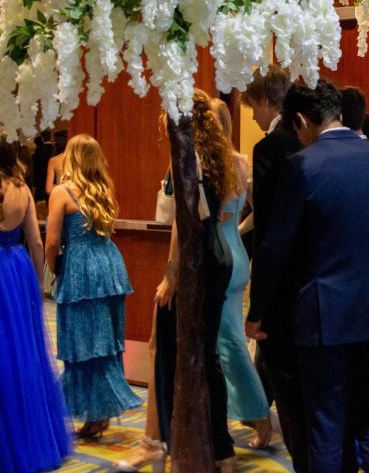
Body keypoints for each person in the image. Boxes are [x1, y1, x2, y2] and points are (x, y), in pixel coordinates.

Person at [246, 78, 369, 473]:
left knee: (325, 422)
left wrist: (258, 312)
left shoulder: (301, 165)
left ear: (302, 120)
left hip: (321, 313)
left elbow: (276, 246)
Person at [154, 91, 237, 470]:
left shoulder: (185, 157)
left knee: (182, 354)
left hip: (196, 263)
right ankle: (220, 448)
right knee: (208, 354)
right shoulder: (217, 156)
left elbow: (182, 224)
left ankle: (186, 446)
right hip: (219, 257)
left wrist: (171, 277)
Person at [45, 134, 141, 439]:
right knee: (104, 342)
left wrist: (55, 267)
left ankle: (92, 413)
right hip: (109, 266)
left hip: (81, 268)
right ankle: (98, 413)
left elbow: (52, 241)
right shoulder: (104, 190)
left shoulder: (61, 192)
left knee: (80, 342)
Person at [239, 65, 306, 467]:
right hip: (316, 281)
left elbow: (269, 232)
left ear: (266, 100)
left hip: (283, 289)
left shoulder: (270, 149)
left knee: (291, 388)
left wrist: (257, 307)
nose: (252, 116)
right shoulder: (308, 139)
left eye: (253, 107)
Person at [0, 137, 71, 472]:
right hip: (16, 271)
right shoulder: (22, 189)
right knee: (21, 355)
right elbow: (37, 242)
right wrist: (39, 287)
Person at [210, 98, 273, 447]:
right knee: (227, 340)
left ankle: (260, 416)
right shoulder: (241, 162)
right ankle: (243, 414)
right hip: (235, 248)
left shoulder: (212, 163)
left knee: (230, 343)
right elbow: (251, 212)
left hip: (218, 254)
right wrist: (239, 229)